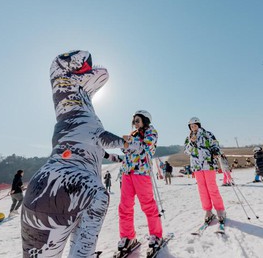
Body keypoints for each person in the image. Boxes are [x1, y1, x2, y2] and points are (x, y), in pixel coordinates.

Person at [21, 50, 128, 257]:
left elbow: (92, 146)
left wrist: (112, 157)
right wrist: (128, 143)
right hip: (71, 184)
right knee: (98, 196)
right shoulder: (82, 116)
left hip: (37, 189)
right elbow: (102, 137)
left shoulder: (64, 123)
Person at [118, 110, 163, 252]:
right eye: (134, 120)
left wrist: (129, 142)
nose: (135, 123)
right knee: (125, 206)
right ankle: (127, 236)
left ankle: (156, 235)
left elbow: (146, 148)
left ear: (145, 120)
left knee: (148, 205)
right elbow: (124, 150)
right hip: (127, 172)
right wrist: (125, 143)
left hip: (141, 172)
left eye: (138, 120)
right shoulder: (133, 134)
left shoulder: (151, 132)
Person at [184, 117, 226, 224]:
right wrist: (192, 142)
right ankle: (208, 211)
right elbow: (187, 151)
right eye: (191, 126)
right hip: (197, 166)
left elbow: (215, 143)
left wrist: (216, 150)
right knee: (202, 189)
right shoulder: (188, 137)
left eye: (195, 125)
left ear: (199, 125)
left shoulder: (207, 134)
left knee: (212, 187)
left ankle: (220, 210)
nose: (193, 127)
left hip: (208, 164)